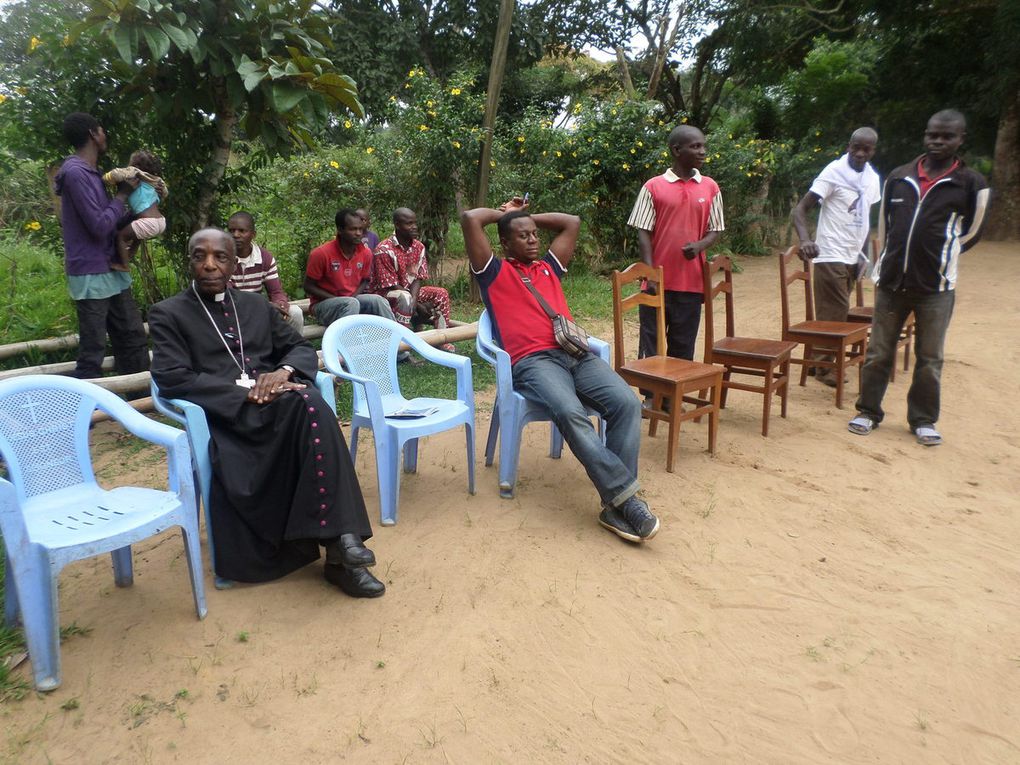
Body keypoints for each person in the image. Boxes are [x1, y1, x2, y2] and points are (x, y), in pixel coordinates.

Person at [148, 227, 385, 597]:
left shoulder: (255, 306)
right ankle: (342, 549)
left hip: (279, 410)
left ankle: (342, 546)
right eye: (200, 256)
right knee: (310, 405)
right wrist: (245, 393)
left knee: (306, 399)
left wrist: (282, 373)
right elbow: (171, 377)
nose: (210, 265)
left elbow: (299, 349)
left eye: (220, 257)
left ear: (234, 263)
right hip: (227, 421)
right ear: (190, 260)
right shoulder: (169, 313)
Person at [460, 198, 659, 543]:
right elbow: (469, 218)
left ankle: (616, 503)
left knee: (627, 404)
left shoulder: (550, 267)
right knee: (570, 411)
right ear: (505, 244)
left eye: (535, 234)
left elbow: (572, 220)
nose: (534, 240)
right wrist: (506, 215)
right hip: (533, 362)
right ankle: (626, 499)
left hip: (575, 354)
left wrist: (524, 216)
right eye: (523, 236)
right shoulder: (493, 272)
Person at [848, 110, 990, 446]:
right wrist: (884, 263)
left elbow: (972, 232)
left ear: (960, 140)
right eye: (933, 135)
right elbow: (885, 225)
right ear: (925, 136)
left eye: (947, 137)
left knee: (929, 358)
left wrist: (942, 258)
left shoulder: (971, 183)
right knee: (878, 353)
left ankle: (923, 420)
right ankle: (868, 411)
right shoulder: (899, 177)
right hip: (892, 284)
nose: (938, 141)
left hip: (936, 289)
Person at [53, 112, 150, 379]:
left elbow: (110, 218)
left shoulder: (93, 173)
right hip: (90, 271)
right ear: (93, 135)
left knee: (132, 335)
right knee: (93, 347)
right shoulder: (74, 173)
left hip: (110, 267)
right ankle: (84, 411)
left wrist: (141, 214)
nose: (104, 134)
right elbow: (98, 226)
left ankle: (140, 397)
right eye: (102, 130)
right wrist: (122, 195)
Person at [627, 124, 725, 366]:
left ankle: (672, 398)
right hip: (656, 283)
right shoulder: (653, 186)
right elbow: (643, 231)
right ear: (676, 150)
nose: (703, 151)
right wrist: (649, 275)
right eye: (695, 146)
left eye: (703, 146)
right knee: (652, 341)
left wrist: (700, 245)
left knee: (683, 343)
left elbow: (715, 230)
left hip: (692, 283)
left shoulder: (711, 187)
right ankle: (652, 394)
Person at [792, 127, 881, 387]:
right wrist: (806, 240)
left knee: (833, 313)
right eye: (857, 147)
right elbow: (800, 210)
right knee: (836, 313)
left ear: (874, 150)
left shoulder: (872, 178)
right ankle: (824, 368)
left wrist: (862, 253)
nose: (861, 154)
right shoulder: (834, 172)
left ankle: (817, 361)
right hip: (830, 252)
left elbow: (866, 218)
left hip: (852, 255)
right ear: (848, 146)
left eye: (867, 149)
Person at [372, 207, 456, 352]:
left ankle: (442, 339)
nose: (414, 227)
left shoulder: (419, 247)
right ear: (397, 225)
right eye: (409, 223)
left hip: (409, 292)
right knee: (404, 297)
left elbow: (418, 277)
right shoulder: (384, 249)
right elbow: (390, 285)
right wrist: (416, 305)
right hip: (385, 295)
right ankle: (401, 346)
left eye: (415, 223)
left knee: (440, 293)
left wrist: (415, 299)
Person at [303, 208, 394, 327]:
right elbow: (308, 286)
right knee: (350, 303)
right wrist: (338, 299)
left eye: (360, 229)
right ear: (340, 230)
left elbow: (365, 280)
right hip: (323, 304)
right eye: (353, 229)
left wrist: (353, 296)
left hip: (352, 301)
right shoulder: (321, 253)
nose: (358, 233)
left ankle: (396, 338)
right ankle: (348, 343)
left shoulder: (365, 253)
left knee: (378, 301)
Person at [226, 211, 304, 331]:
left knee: (295, 313)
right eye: (231, 230)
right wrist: (265, 305)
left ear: (253, 234)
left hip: (257, 309)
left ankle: (295, 349)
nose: (236, 235)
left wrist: (281, 304)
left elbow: (276, 291)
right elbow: (230, 296)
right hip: (231, 311)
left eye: (242, 231)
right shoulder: (222, 257)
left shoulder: (264, 258)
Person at [103, 149, 168, 271]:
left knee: (121, 236)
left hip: (148, 222)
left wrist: (105, 178)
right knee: (138, 233)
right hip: (161, 221)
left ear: (135, 165)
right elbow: (165, 192)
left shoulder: (133, 172)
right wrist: (162, 195)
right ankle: (130, 252)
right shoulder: (155, 180)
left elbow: (116, 174)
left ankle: (124, 265)